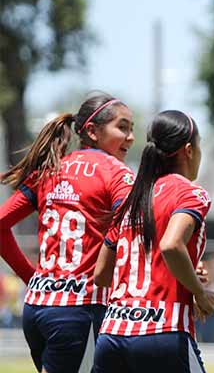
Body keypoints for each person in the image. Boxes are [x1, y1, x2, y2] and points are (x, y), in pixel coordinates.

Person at [0, 93, 135, 372]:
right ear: (92, 132)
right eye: (122, 127)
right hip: (78, 310)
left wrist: (30, 276)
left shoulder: (49, 171)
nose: (131, 137)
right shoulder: (117, 174)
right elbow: (133, 227)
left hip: (36, 308)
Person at [91, 110, 214, 373]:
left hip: (112, 335)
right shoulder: (189, 193)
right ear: (188, 150)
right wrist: (199, 292)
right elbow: (171, 245)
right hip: (163, 333)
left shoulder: (132, 199)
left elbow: (101, 275)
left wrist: (178, 275)